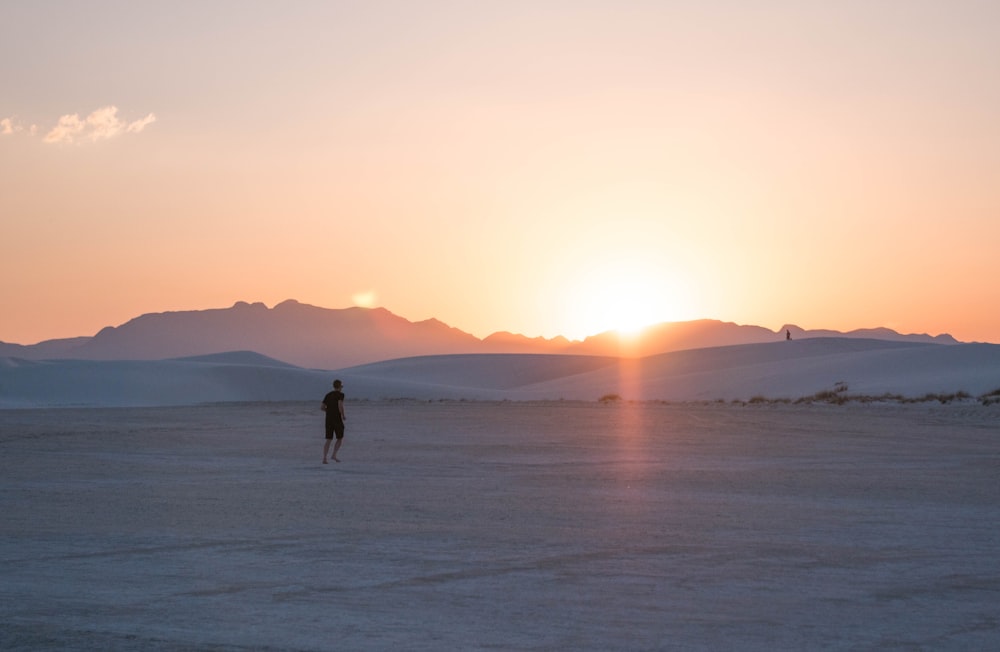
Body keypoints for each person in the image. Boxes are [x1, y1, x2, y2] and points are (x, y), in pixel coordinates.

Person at [321, 379, 346, 464]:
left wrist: (329, 411)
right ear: (339, 387)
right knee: (340, 437)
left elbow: (322, 407)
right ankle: (334, 455)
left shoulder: (328, 395)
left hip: (328, 419)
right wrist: (343, 415)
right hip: (337, 418)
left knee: (328, 439)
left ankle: (324, 458)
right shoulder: (340, 395)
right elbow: (340, 405)